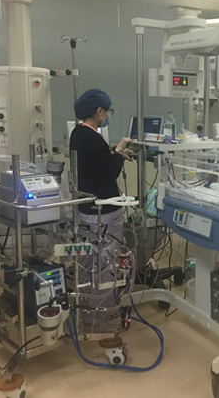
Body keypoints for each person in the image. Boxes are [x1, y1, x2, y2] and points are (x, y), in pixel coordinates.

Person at [69, 88, 132, 332]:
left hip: (87, 209)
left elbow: (96, 163)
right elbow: (109, 171)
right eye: (108, 111)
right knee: (105, 264)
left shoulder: (78, 134)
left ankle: (86, 310)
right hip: (103, 212)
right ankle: (98, 316)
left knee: (88, 262)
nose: (108, 114)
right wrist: (119, 151)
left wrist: (114, 153)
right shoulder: (94, 138)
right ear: (99, 111)